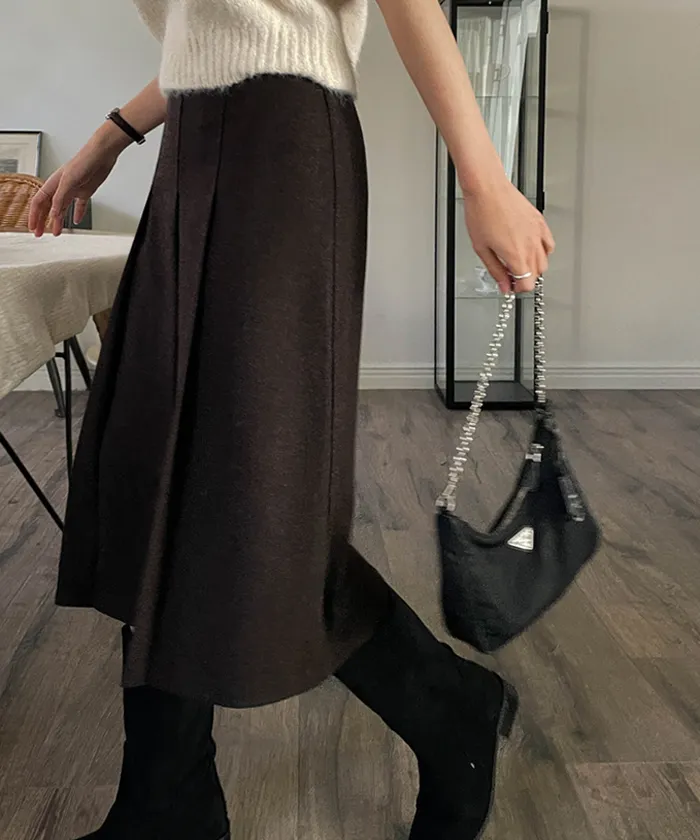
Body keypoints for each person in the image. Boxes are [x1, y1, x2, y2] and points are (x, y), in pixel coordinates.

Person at [30, 1, 554, 838]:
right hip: (196, 140)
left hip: (281, 147)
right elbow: (217, 28)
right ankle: (167, 803)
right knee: (159, 470)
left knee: (258, 497)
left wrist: (484, 177)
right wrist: (115, 133)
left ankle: (449, 706)